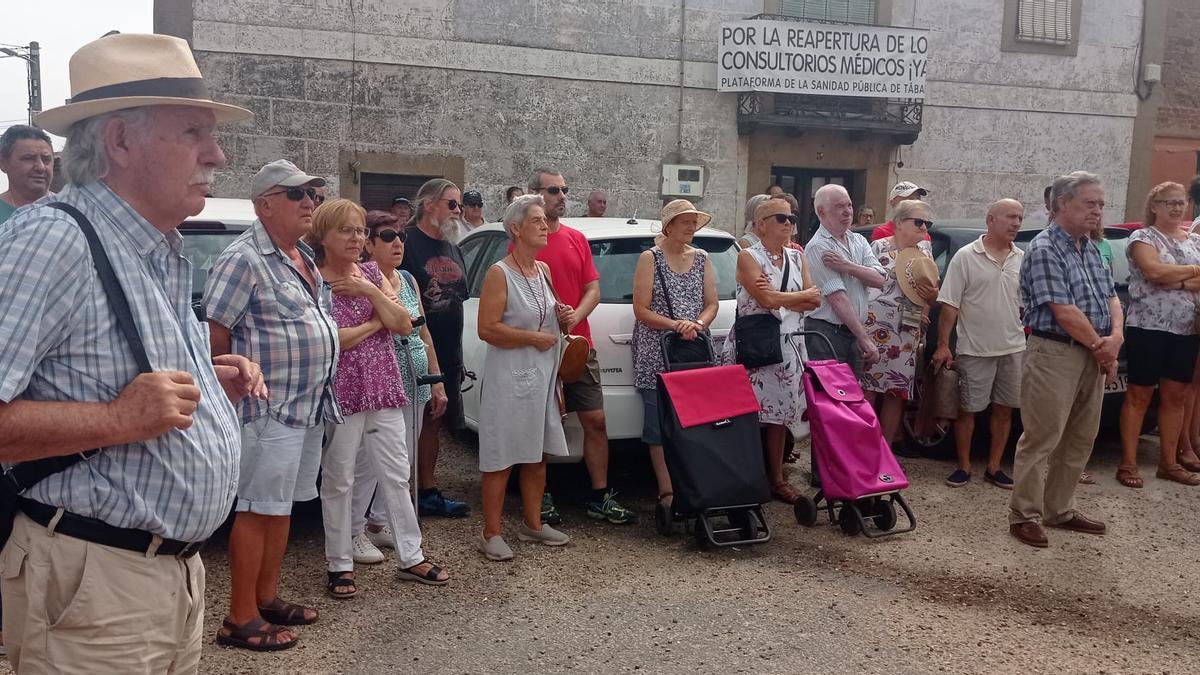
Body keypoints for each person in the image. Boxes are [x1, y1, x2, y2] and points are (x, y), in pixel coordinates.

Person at [0, 32, 262, 669]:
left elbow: (107, 371)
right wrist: (119, 420)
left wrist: (207, 380)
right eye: (194, 133)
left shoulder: (158, 247)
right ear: (119, 140)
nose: (218, 155)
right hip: (93, 583)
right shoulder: (52, 241)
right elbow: (124, 409)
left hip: (164, 578)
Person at [205, 159, 340, 650]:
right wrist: (231, 394)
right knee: (258, 508)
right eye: (296, 194)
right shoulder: (243, 259)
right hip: (268, 409)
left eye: (312, 195)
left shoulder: (299, 254)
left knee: (280, 508)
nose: (309, 203)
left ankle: (265, 597)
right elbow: (216, 334)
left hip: (307, 407)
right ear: (265, 204)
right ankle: (238, 617)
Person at [305, 199, 450, 597]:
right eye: (346, 230)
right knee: (340, 478)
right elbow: (332, 341)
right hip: (345, 393)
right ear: (324, 236)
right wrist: (375, 321)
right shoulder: (314, 280)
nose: (356, 238)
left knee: (396, 472)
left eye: (359, 230)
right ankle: (339, 564)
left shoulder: (370, 274)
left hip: (384, 388)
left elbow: (404, 323)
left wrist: (369, 289)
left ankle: (411, 555)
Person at [1008, 171, 1123, 548]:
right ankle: (1024, 514)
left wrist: (1116, 338)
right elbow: (1062, 309)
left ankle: (1059, 509)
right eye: (1090, 203)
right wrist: (1101, 346)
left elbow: (1112, 298)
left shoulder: (1089, 248)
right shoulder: (1044, 249)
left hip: (1091, 352)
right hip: (1055, 352)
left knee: (1080, 436)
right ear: (1061, 204)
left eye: (1101, 204)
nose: (1098, 211)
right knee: (1042, 437)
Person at [527, 168, 635, 525]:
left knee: (596, 420)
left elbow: (593, 289)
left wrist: (575, 317)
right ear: (535, 195)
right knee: (541, 424)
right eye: (554, 190)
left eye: (564, 189)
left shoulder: (576, 238)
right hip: (539, 347)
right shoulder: (524, 242)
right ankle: (540, 496)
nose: (561, 196)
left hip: (579, 346)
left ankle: (599, 495)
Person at [476, 194, 572, 560]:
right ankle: (491, 532)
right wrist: (533, 337)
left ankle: (533, 523)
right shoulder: (499, 273)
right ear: (516, 228)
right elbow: (487, 328)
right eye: (536, 220)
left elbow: (545, 316)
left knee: (536, 454)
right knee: (501, 455)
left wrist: (561, 317)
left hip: (541, 377)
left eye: (544, 220)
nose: (544, 225)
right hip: (508, 378)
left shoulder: (543, 270)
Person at [352, 210, 450, 561]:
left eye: (402, 237)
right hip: (382, 381)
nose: (398, 243)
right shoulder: (363, 279)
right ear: (369, 243)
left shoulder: (407, 279)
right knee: (368, 461)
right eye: (389, 237)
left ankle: (379, 522)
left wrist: (437, 381)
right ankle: (355, 530)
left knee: (402, 458)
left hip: (415, 379)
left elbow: (424, 331)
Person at [726, 199, 822, 502]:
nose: (788, 223)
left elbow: (815, 300)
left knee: (780, 415)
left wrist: (782, 296)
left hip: (790, 345)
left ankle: (777, 479)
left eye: (791, 218)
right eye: (781, 217)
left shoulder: (798, 256)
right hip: (757, 344)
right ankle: (749, 477)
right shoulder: (747, 257)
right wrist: (798, 296)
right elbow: (766, 301)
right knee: (750, 413)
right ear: (761, 224)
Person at [631, 199, 720, 509]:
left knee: (694, 421)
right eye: (685, 221)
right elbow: (640, 309)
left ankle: (694, 484)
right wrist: (675, 325)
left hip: (692, 350)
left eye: (694, 221)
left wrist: (696, 324)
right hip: (657, 352)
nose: (692, 227)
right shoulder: (649, 258)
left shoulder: (703, 258)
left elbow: (712, 304)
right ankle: (667, 490)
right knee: (657, 423)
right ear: (669, 226)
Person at [933, 199, 1026, 489]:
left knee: (1004, 409)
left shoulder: (1021, 257)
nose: (1016, 223)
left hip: (1013, 348)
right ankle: (963, 466)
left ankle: (994, 467)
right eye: (1010, 217)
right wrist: (943, 345)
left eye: (1020, 218)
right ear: (991, 220)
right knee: (967, 411)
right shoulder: (965, 256)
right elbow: (950, 305)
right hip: (974, 349)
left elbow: (1026, 305)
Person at [1116, 182, 1200, 488]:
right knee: (1140, 393)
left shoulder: (1194, 241)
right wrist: (1192, 272)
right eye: (1169, 203)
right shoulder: (1142, 237)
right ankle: (1128, 463)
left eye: (1181, 202)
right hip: (1148, 328)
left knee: (1176, 396)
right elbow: (1153, 271)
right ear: (1154, 206)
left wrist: (1174, 278)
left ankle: (1168, 463)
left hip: (1185, 328)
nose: (1177, 208)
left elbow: (1166, 275)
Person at [400, 178, 472, 517]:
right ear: (429, 204)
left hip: (449, 351)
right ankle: (397, 494)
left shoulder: (453, 246)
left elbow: (460, 296)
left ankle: (427, 490)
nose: (459, 212)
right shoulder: (407, 243)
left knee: (434, 423)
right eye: (452, 204)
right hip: (414, 349)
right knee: (406, 425)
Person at [861, 200, 940, 454]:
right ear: (898, 223)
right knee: (870, 390)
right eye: (918, 222)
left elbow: (930, 294)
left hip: (907, 329)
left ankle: (884, 451)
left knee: (897, 391)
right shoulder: (878, 247)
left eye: (927, 223)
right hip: (875, 326)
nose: (924, 228)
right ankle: (864, 447)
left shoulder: (925, 250)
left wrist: (932, 296)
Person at [803, 184, 886, 376]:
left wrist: (847, 266)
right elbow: (837, 299)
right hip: (827, 333)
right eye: (840, 206)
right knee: (829, 398)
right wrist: (865, 339)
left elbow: (880, 279)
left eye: (849, 205)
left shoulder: (859, 240)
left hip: (853, 332)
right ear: (822, 212)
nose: (848, 211)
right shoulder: (818, 247)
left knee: (852, 397)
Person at [0, 125, 54, 223]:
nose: (41, 167)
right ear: (3, 164)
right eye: (28, 158)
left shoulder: (70, 210)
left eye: (46, 159)